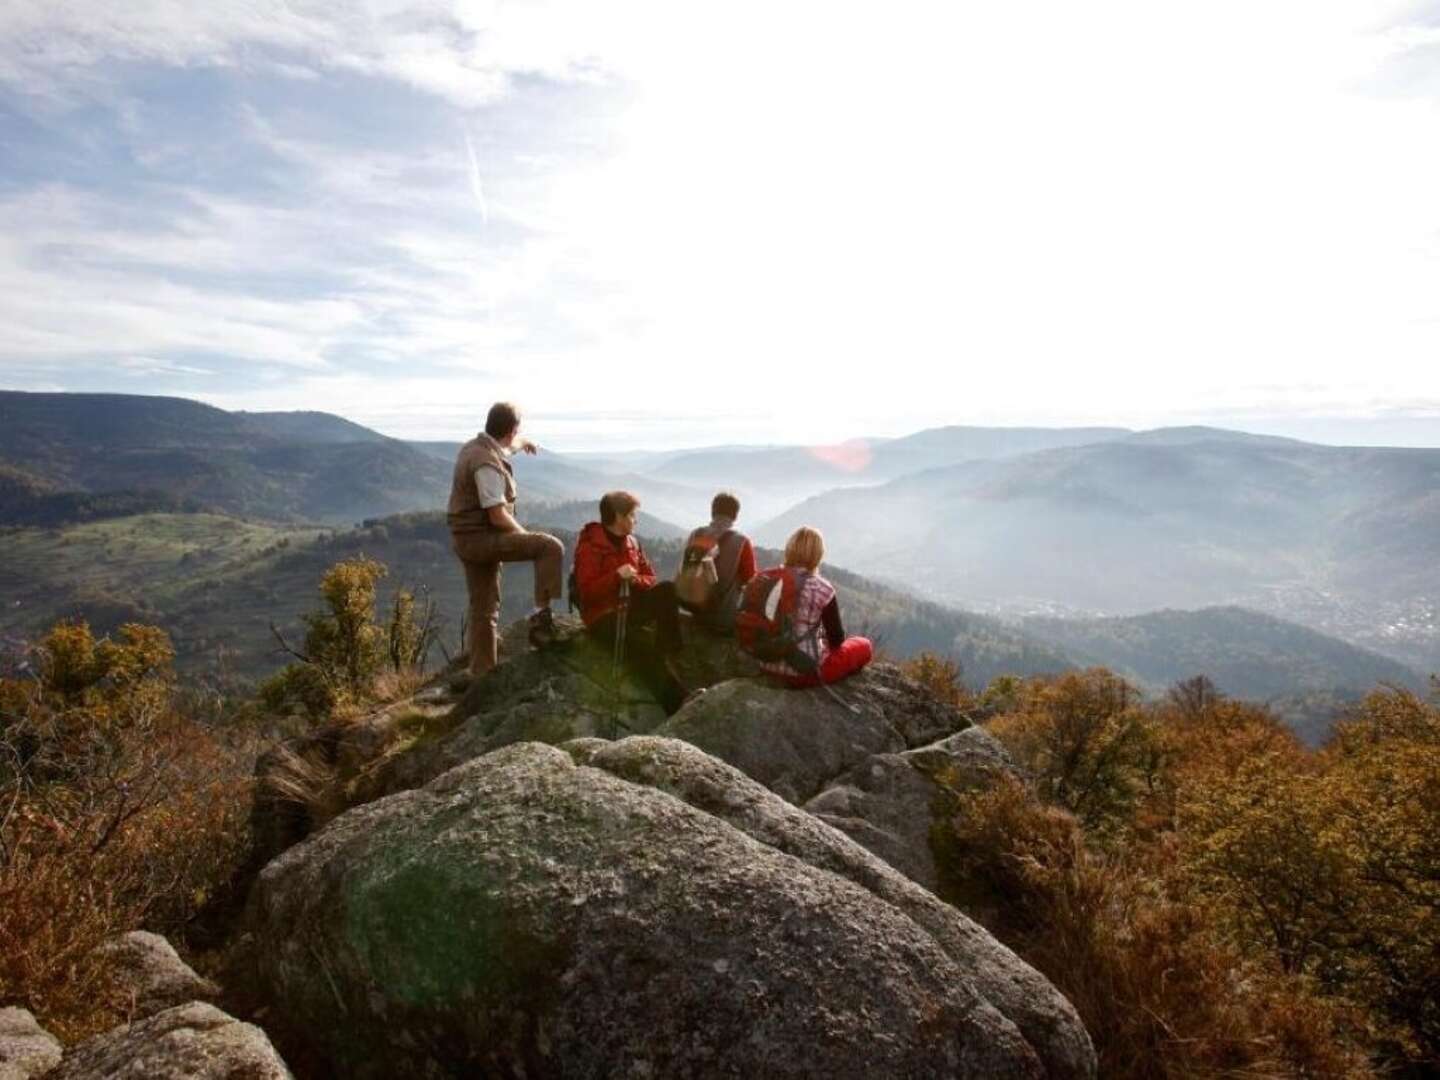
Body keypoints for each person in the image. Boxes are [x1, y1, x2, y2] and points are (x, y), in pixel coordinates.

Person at [448, 401, 564, 676]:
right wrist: (527, 539)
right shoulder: (487, 465)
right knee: (550, 547)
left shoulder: (476, 448)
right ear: (510, 429)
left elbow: (507, 447)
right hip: (481, 540)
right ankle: (541, 620)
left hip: (465, 539)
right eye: (517, 431)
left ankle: (482, 674)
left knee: (484, 608)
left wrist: (525, 443)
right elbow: (498, 516)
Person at [574, 490, 686, 712]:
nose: (636, 520)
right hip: (603, 616)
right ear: (618, 516)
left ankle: (668, 649)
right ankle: (677, 702)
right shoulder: (590, 548)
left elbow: (650, 578)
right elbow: (586, 593)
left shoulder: (632, 543)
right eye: (633, 515)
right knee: (642, 648)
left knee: (667, 590)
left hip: (629, 605)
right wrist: (616, 576)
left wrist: (635, 580)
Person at [759, 526, 872, 687]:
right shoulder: (823, 589)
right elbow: (836, 640)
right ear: (817, 555)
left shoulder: (767, 578)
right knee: (863, 645)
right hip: (804, 673)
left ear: (789, 549)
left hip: (766, 663)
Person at [676, 491, 758, 631]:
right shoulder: (741, 542)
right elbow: (750, 579)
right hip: (723, 617)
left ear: (712, 512)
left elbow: (684, 568)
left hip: (690, 607)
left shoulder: (696, 534)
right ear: (735, 516)